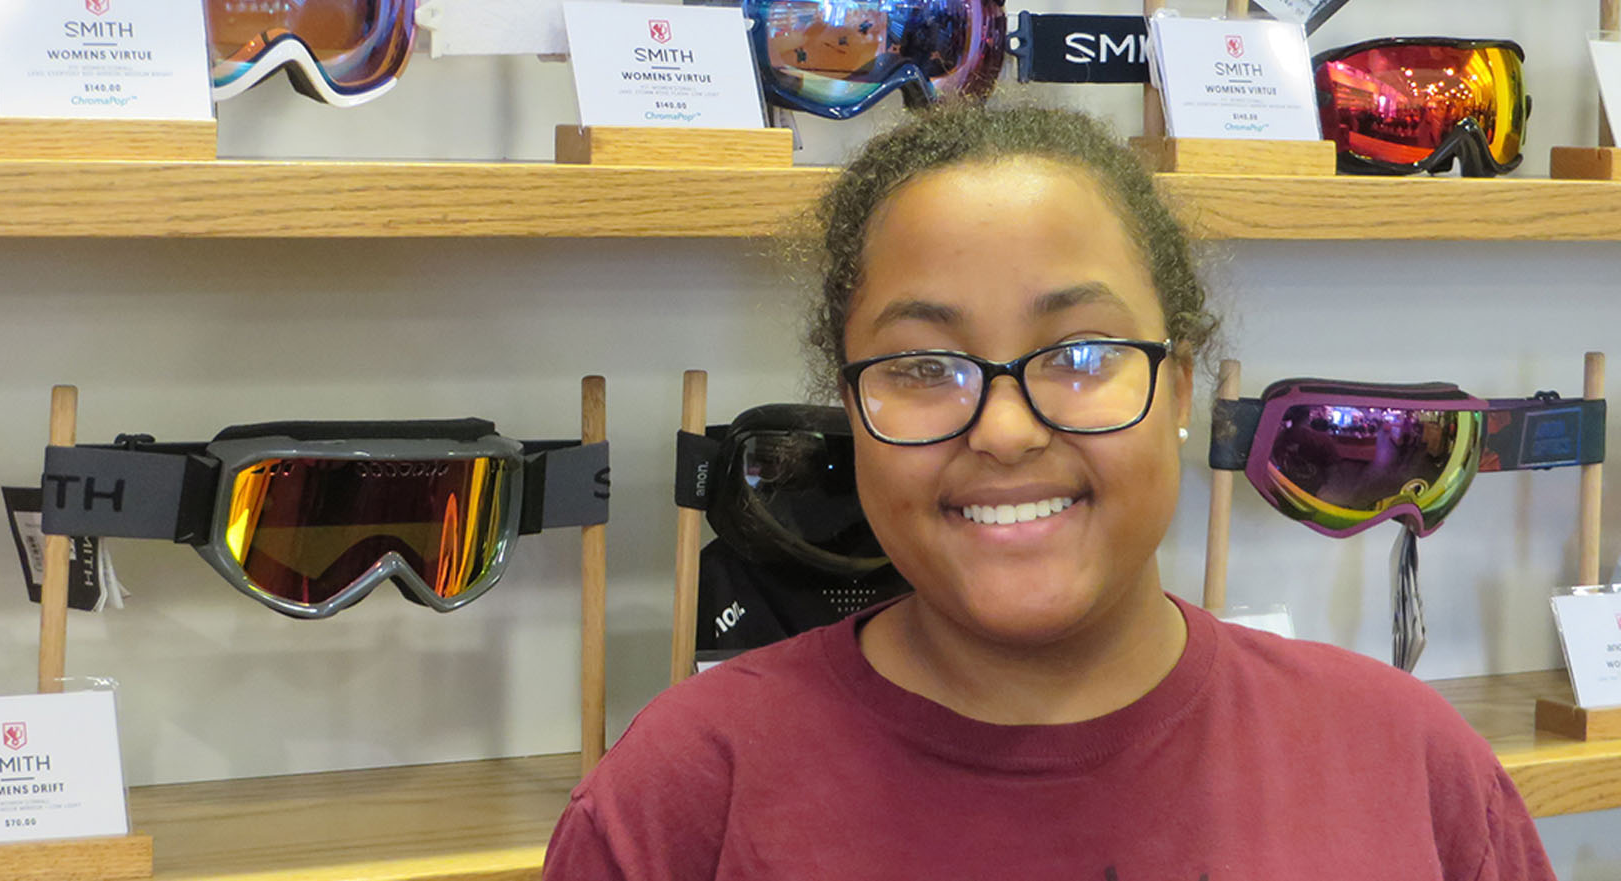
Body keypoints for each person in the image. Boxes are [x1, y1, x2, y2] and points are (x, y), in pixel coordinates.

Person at [542, 102, 1555, 880]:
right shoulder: (689, 788)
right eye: (924, 366)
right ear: (852, 411)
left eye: (1081, 351)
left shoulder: (1405, 760)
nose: (1006, 428)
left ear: (1183, 385)